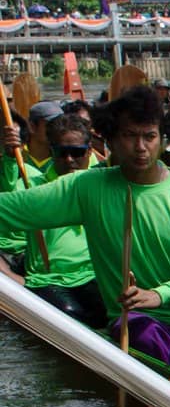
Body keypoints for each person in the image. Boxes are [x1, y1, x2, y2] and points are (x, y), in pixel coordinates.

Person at [0, 85, 170, 362]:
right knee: (142, 331)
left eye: (150, 137)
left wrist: (159, 294)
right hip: (133, 322)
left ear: (163, 141)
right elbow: (11, 209)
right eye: (129, 136)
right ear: (109, 141)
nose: (141, 148)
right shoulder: (86, 187)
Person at [0, 113, 99, 324]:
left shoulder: (103, 182)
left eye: (76, 152)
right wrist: (9, 156)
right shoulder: (32, 184)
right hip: (49, 280)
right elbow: (7, 193)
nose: (69, 160)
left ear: (89, 151)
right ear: (51, 152)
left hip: (94, 275)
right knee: (69, 314)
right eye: (61, 153)